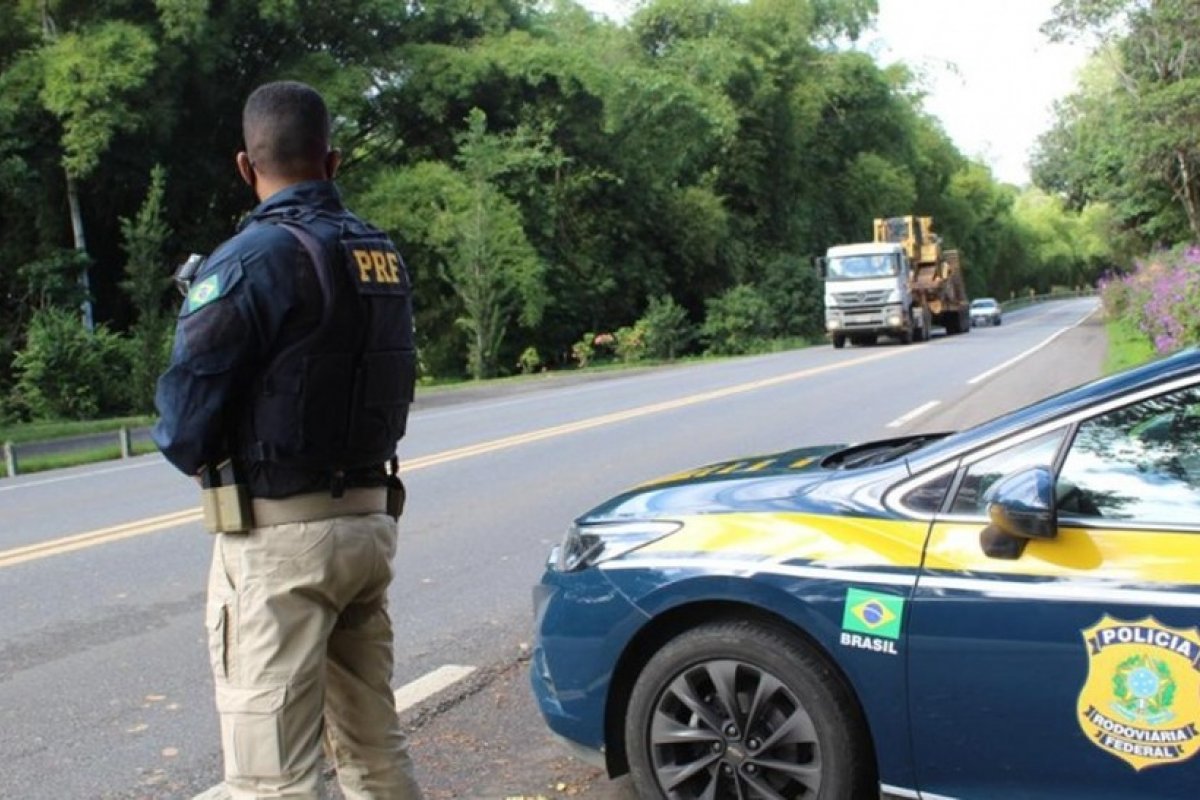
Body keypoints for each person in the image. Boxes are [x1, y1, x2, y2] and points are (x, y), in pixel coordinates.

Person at [153, 80, 421, 800]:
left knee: (272, 778)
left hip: (282, 545)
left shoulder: (250, 259)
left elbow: (183, 425)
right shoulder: (379, 253)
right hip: (368, 524)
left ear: (247, 166)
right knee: (375, 751)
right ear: (331, 161)